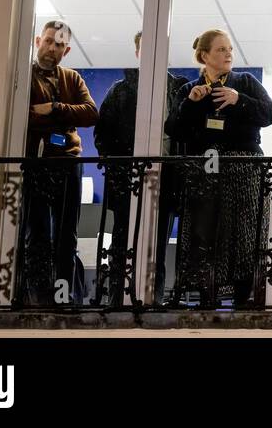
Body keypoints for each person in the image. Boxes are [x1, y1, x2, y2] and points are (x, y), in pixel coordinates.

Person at [164, 29, 272, 307]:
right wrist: (191, 104)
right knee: (205, 230)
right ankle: (205, 293)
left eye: (230, 49)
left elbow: (269, 113)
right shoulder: (189, 90)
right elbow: (175, 129)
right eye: (221, 50)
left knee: (245, 230)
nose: (228, 55)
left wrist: (239, 100)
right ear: (204, 56)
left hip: (244, 168)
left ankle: (243, 293)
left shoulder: (245, 82)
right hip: (205, 171)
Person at [93, 31, 187, 306]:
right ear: (138, 53)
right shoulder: (120, 90)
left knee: (157, 245)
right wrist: (119, 167)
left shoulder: (179, 91)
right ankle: (117, 299)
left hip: (167, 180)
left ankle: (152, 300)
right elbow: (103, 134)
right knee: (123, 241)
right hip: (128, 180)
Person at [22, 20, 98, 306]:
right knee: (37, 234)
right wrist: (63, 118)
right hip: (37, 162)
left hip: (68, 164)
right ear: (38, 40)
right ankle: (38, 299)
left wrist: (55, 109)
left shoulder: (72, 78)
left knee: (67, 236)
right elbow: (25, 115)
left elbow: (90, 114)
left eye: (59, 45)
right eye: (49, 41)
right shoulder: (24, 75)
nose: (52, 48)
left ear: (65, 52)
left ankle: (67, 298)